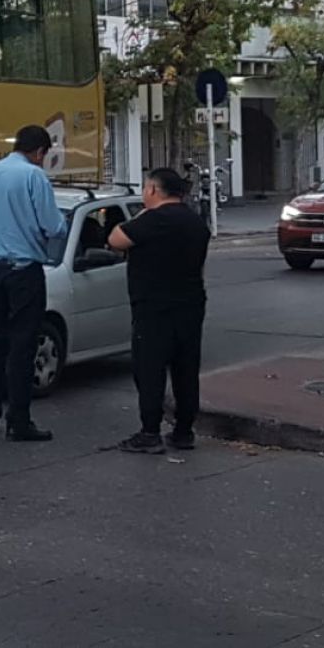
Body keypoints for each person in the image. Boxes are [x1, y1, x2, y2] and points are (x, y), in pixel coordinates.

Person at [0, 124, 69, 442]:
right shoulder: (33, 177)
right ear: (39, 152)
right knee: (23, 345)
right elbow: (52, 225)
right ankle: (19, 420)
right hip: (23, 269)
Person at [108, 167, 211, 454]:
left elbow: (116, 239)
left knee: (150, 368)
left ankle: (150, 432)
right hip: (190, 304)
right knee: (186, 369)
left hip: (154, 307)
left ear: (153, 189)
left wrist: (140, 216)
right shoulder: (195, 222)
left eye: (145, 188)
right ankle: (183, 431)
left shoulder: (153, 220)